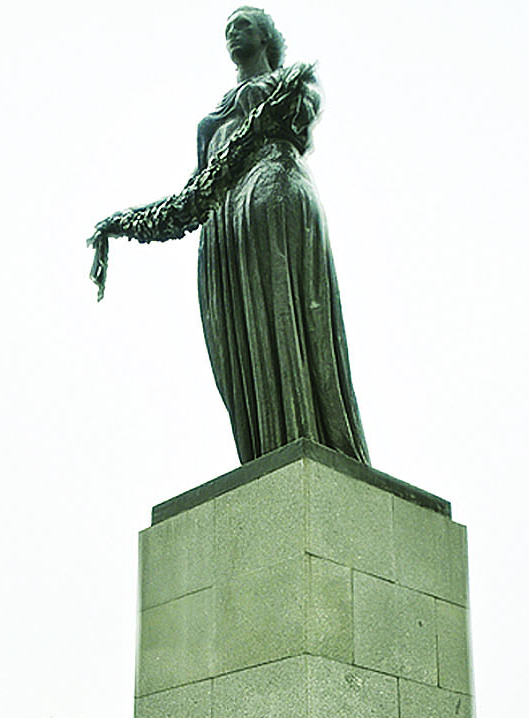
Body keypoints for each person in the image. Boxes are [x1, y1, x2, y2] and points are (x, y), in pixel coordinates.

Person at [89, 7, 368, 466]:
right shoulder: (213, 122)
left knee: (286, 317)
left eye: (244, 25)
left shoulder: (288, 85)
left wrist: (276, 103)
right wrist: (118, 224)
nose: (233, 33)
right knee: (237, 353)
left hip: (272, 194)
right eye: (228, 29)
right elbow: (188, 202)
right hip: (222, 229)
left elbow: (298, 117)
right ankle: (267, 459)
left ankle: (310, 442)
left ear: (267, 37)